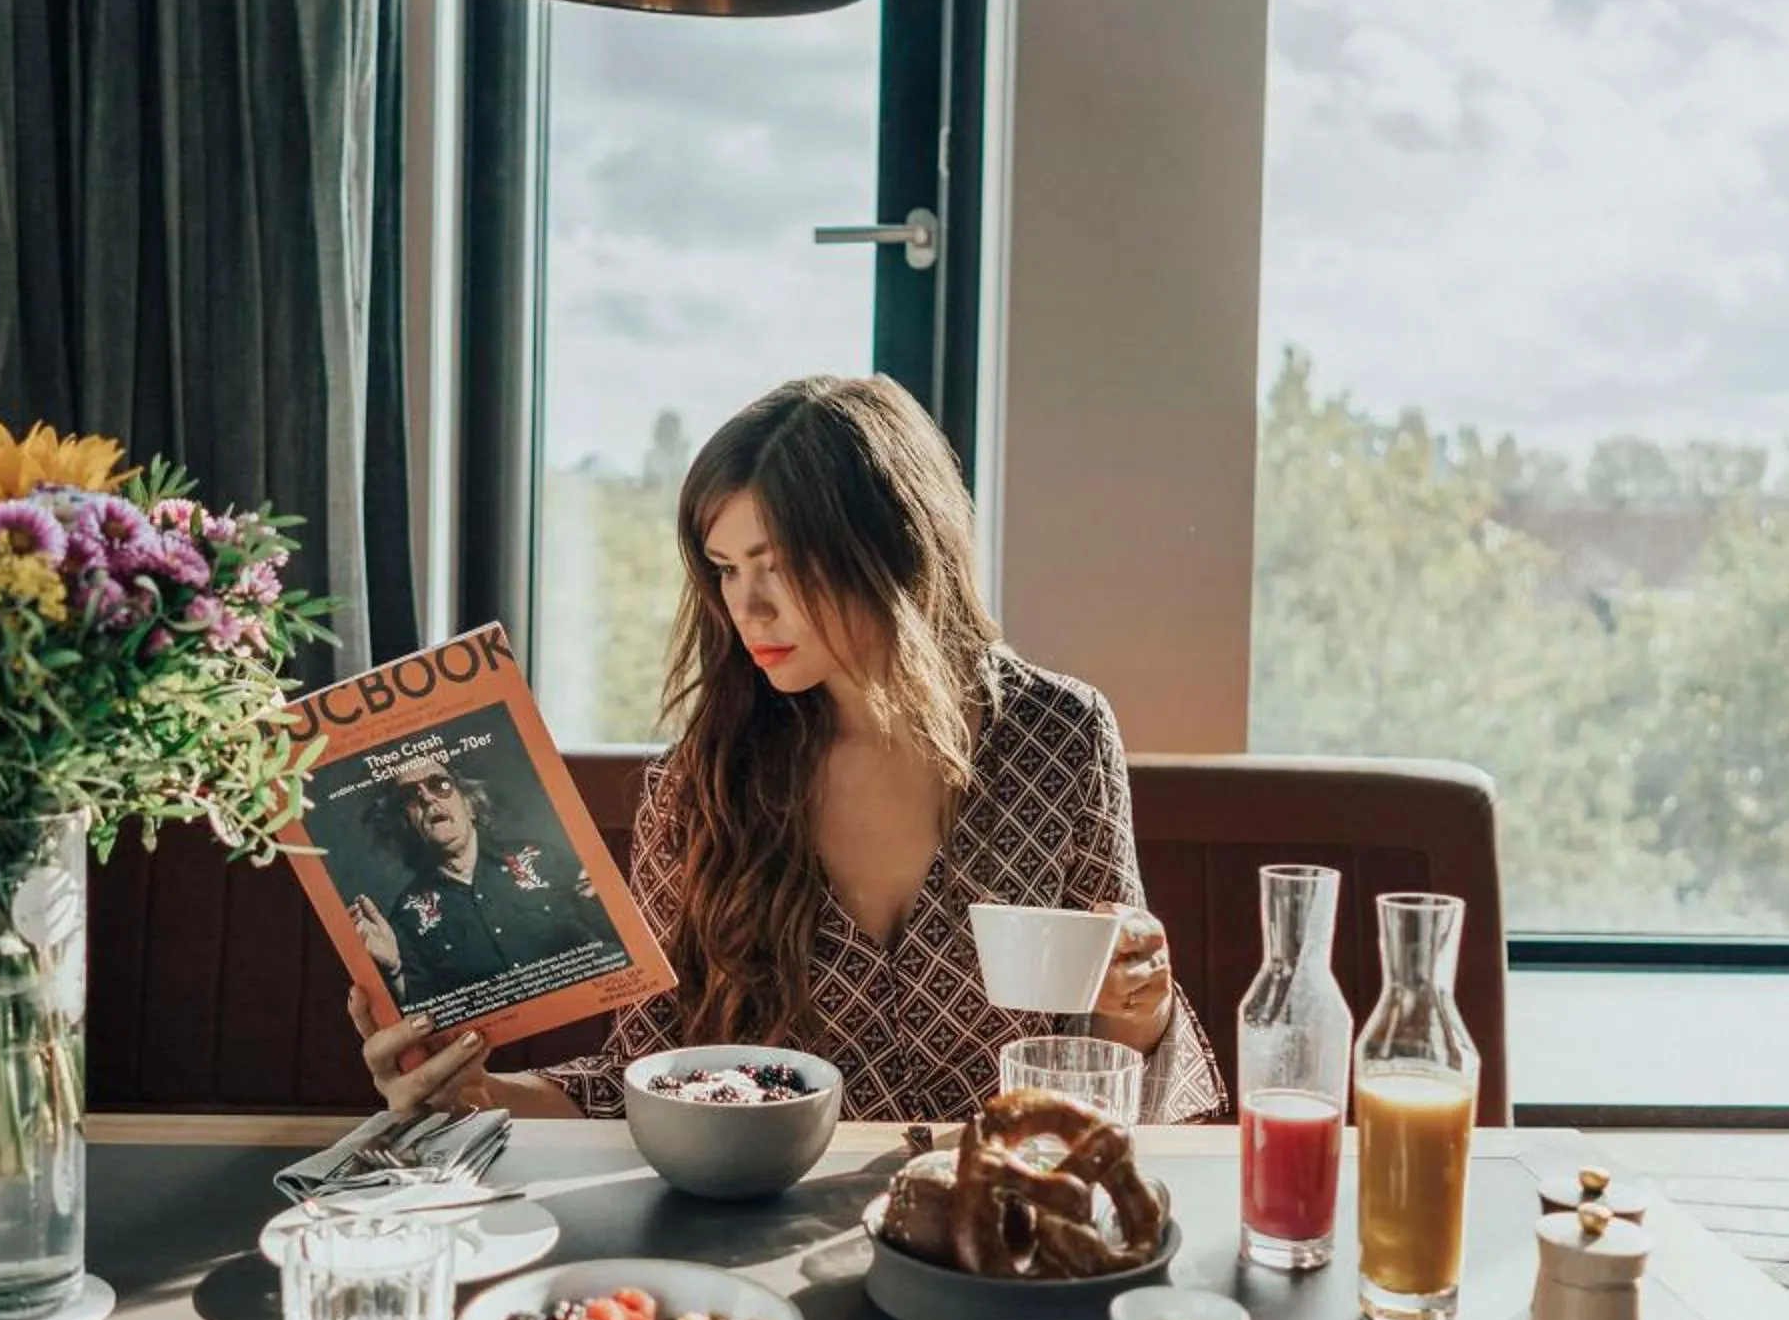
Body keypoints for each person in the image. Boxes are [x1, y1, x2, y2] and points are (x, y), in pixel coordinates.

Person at [348, 374, 1228, 1125]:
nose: (748, 606)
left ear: (888, 546)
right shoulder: (704, 783)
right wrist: (472, 1092)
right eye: (726, 568)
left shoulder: (1059, 734)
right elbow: (646, 1083)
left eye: (778, 563)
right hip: (762, 1229)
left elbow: (1113, 1055)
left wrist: (1140, 1008)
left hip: (997, 1220)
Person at [344, 751, 622, 1016]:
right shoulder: (407, 915)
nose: (427, 797)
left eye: (439, 784)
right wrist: (393, 972)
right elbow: (425, 1015)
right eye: (410, 796)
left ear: (470, 803)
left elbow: (617, 946)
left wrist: (608, 902)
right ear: (406, 822)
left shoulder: (543, 858)